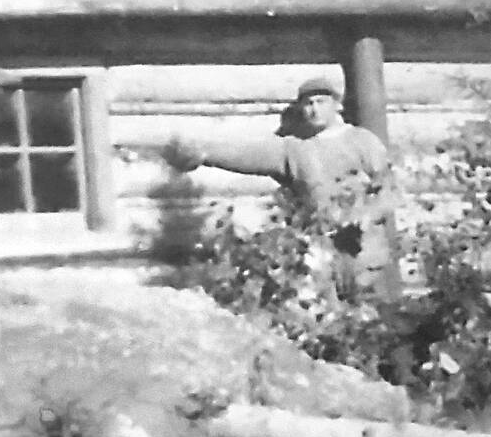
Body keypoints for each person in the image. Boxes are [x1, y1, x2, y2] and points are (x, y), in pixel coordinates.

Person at [166, 75, 400, 297]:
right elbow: (249, 155)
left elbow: (390, 188)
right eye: (308, 103)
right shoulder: (294, 148)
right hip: (319, 250)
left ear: (336, 105)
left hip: (365, 248)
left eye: (321, 102)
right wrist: (206, 153)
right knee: (325, 317)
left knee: (372, 319)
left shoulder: (361, 141)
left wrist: (366, 215)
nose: (314, 109)